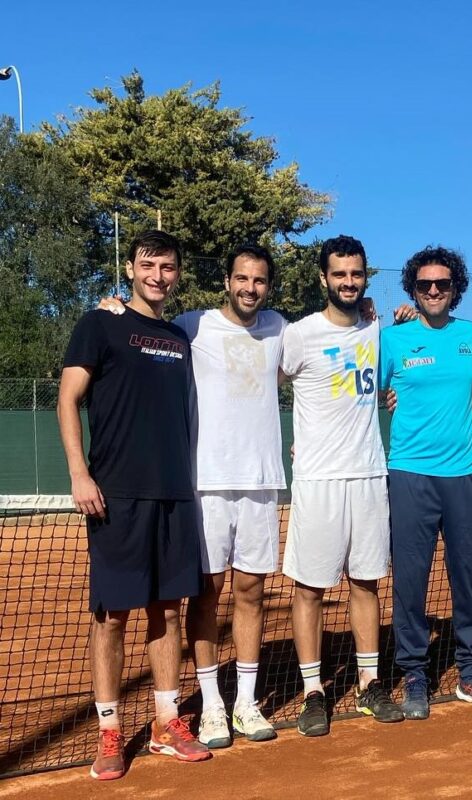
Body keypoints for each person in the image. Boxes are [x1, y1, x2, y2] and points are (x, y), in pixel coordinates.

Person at [57, 230, 210, 781]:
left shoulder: (178, 336)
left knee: (169, 610)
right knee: (112, 618)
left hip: (175, 494)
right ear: (129, 267)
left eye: (167, 267)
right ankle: (110, 731)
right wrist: (79, 473)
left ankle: (168, 724)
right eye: (148, 265)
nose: (158, 276)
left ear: (177, 273)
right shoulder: (100, 323)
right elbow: (68, 399)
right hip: (115, 495)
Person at [281, 234, 404, 736]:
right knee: (309, 587)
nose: (348, 282)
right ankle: (314, 690)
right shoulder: (299, 334)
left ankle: (369, 683)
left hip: (370, 474)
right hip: (318, 480)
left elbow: (376, 383)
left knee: (366, 582)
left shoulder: (378, 330)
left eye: (356, 274)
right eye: (339, 274)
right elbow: (261, 386)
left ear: (364, 277)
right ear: (323, 278)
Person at [380, 245, 472, 720]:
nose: (433, 291)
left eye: (442, 284)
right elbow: (363, 391)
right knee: (410, 581)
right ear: (412, 288)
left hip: (466, 475)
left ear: (456, 290)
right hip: (410, 473)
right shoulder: (393, 339)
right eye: (424, 285)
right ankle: (415, 673)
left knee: (468, 578)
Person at [179, 245, 286, 747]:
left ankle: (245, 702)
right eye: (241, 279)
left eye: (259, 280)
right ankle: (211, 706)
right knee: (205, 592)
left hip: (262, 483)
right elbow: (143, 332)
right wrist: (115, 307)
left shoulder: (281, 328)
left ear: (268, 286)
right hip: (207, 484)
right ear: (226, 281)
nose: (250, 288)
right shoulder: (192, 325)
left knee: (252, 592)